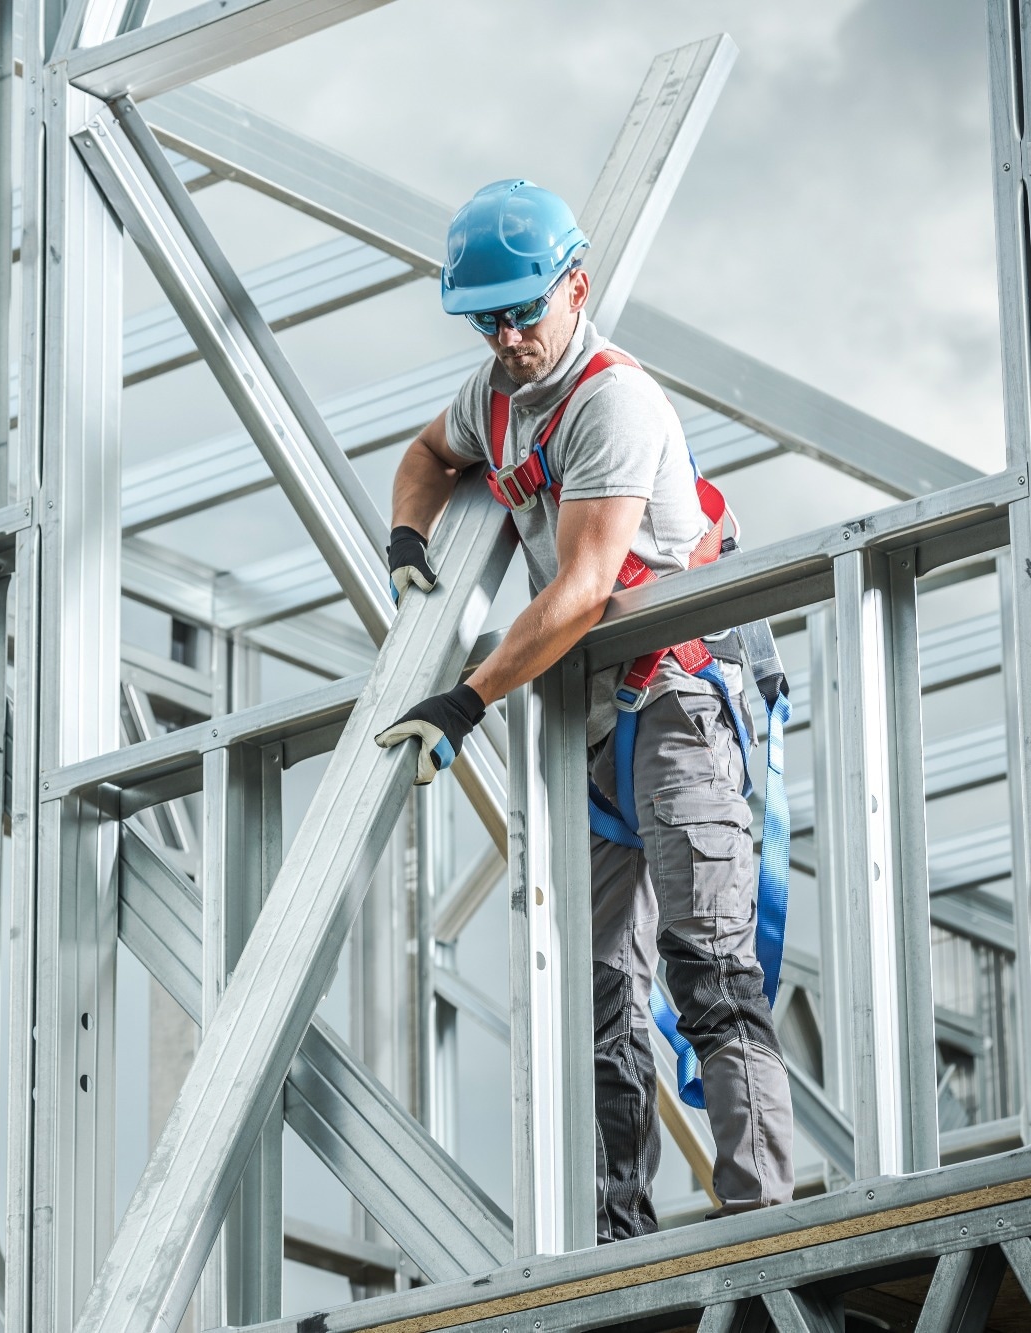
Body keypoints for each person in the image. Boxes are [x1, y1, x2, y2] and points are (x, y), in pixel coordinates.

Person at [372, 180, 793, 1239]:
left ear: (575, 285)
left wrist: (464, 701)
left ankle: (761, 1218)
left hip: (676, 696)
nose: (506, 337)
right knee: (598, 993)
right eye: (486, 319)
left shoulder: (611, 399)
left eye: (520, 311)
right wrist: (406, 535)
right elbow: (426, 455)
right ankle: (616, 1236)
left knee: (708, 961)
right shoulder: (496, 395)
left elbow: (581, 590)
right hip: (594, 721)